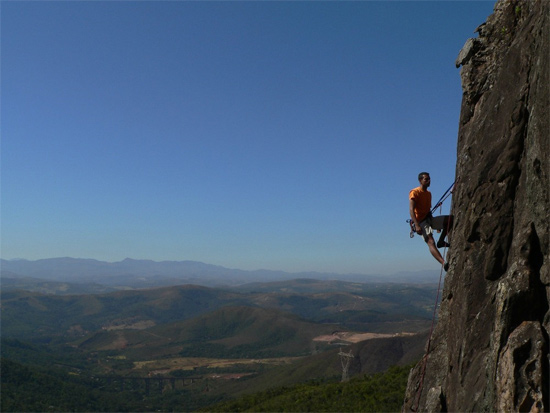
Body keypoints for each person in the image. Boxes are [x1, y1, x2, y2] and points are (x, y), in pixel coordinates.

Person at [409, 172, 452, 271]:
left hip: (429, 219)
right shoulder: (415, 192)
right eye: (426, 179)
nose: (429, 181)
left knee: (450, 219)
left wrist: (436, 226)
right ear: (420, 181)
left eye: (429, 179)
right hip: (420, 222)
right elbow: (411, 210)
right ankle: (443, 263)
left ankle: (441, 241)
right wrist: (417, 225)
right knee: (430, 241)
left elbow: (428, 210)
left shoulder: (428, 194)